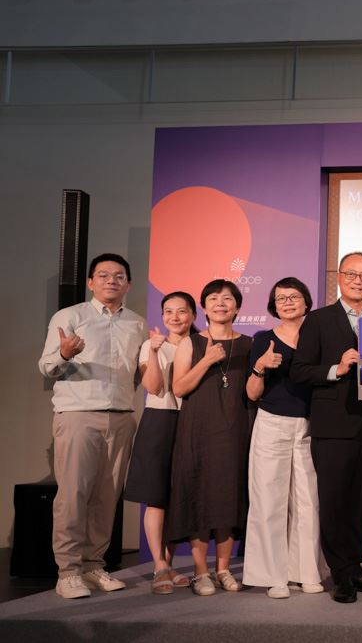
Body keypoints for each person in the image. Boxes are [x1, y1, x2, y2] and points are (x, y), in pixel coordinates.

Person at [38, 253, 145, 600]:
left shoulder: (137, 324)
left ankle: (92, 564)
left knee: (106, 497)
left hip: (122, 416)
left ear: (128, 283)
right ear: (90, 282)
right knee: (73, 495)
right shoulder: (71, 317)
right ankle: (67, 572)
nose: (111, 281)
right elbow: (46, 367)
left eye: (118, 276)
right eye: (103, 275)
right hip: (79, 415)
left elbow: (138, 374)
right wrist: (65, 353)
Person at [291, 253, 362, 603]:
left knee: (358, 502)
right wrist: (337, 367)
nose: (358, 280)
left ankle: (355, 567)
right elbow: (300, 370)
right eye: (352, 274)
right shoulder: (318, 320)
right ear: (339, 277)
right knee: (334, 502)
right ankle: (341, 575)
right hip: (333, 426)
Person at [167, 279, 252, 595]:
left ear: (237, 307)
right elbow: (178, 388)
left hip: (234, 430)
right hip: (198, 430)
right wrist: (206, 360)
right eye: (213, 299)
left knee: (228, 496)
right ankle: (201, 571)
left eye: (227, 299)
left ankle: (223, 568)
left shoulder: (249, 344)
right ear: (204, 307)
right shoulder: (191, 343)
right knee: (199, 495)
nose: (220, 303)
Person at [242, 277, 324, 599]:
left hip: (308, 427)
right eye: (280, 299)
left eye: (293, 296)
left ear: (306, 300)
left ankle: (306, 573)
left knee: (308, 503)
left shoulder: (317, 337)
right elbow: (251, 393)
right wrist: (260, 367)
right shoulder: (262, 340)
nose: (287, 302)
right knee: (269, 501)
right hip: (272, 424)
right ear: (273, 306)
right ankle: (274, 576)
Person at [123, 291, 196, 594]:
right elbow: (152, 386)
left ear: (193, 314)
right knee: (156, 497)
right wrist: (153, 352)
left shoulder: (201, 345)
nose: (175, 317)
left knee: (178, 496)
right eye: (168, 312)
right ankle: (159, 566)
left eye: (181, 311)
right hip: (159, 421)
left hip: (191, 424)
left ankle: (169, 564)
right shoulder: (151, 345)